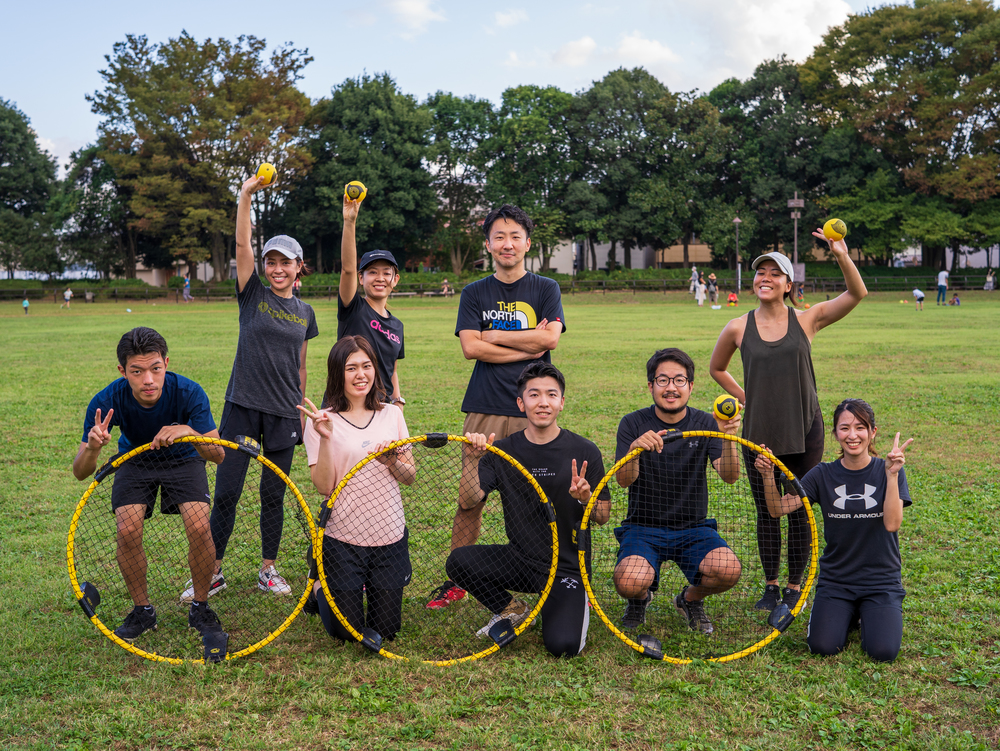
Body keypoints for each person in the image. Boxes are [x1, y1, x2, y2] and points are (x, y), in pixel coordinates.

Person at [709, 233, 867, 617]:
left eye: (774, 273)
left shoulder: (806, 319)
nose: (765, 277)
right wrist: (747, 398)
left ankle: (795, 585)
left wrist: (842, 255)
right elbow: (716, 368)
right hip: (759, 435)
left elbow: (856, 293)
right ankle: (770, 585)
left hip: (804, 430)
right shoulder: (737, 327)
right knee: (766, 511)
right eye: (759, 272)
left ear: (788, 284)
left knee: (798, 510)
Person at [427, 204, 565, 610]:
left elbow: (550, 342)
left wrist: (495, 338)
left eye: (515, 236)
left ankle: (550, 573)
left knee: (538, 496)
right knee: (471, 498)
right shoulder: (474, 292)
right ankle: (455, 580)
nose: (508, 244)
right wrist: (528, 341)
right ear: (488, 243)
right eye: (499, 237)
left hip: (534, 408)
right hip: (485, 406)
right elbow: (471, 348)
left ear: (527, 243)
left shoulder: (545, 289)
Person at [193, 171, 319, 602]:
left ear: (299, 267)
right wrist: (246, 194)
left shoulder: (306, 312)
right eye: (272, 261)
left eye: (286, 262)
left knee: (273, 494)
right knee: (227, 491)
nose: (278, 268)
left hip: (284, 413)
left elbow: (301, 366)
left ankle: (268, 568)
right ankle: (211, 572)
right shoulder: (253, 296)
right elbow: (242, 245)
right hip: (243, 405)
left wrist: (301, 408)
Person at [73, 327, 227, 646]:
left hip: (184, 458)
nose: (148, 380)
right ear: (123, 371)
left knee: (199, 526)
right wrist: (93, 448)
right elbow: (80, 472)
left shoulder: (189, 392)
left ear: (166, 363)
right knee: (128, 529)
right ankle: (143, 610)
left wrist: (189, 432)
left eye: (155, 369)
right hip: (135, 459)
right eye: (137, 371)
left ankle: (200, 606)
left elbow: (219, 455)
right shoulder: (106, 400)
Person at [446, 361, 610, 656]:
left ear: (562, 402)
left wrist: (586, 498)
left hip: (567, 567)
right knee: (459, 560)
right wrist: (471, 460)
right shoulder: (503, 451)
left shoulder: (585, 451)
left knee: (563, 647)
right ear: (521, 403)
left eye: (551, 394)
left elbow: (603, 516)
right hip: (521, 561)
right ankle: (511, 608)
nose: (543, 402)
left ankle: (573, 600)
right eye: (534, 395)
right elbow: (469, 500)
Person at [753, 399, 912, 663]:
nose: (852, 435)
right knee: (822, 646)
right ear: (836, 433)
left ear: (873, 432)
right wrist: (768, 476)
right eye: (844, 428)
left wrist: (893, 476)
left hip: (880, 580)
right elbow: (778, 509)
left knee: (882, 652)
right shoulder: (822, 474)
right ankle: (847, 613)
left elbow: (892, 524)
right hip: (837, 580)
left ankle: (867, 612)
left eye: (860, 427)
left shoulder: (889, 470)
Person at [613, 348, 743, 635]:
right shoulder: (632, 423)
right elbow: (623, 481)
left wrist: (729, 437)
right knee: (629, 580)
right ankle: (639, 598)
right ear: (651, 386)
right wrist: (634, 450)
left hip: (693, 528)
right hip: (643, 527)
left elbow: (730, 476)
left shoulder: (706, 424)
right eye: (662, 380)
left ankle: (689, 599)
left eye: (679, 380)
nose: (671, 388)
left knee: (729, 570)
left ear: (690, 386)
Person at [298, 336, 415, 643]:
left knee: (385, 631)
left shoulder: (393, 414)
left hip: (388, 536)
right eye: (351, 368)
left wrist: (392, 460)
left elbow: (410, 475)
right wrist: (324, 437)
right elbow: (324, 486)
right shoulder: (322, 421)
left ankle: (338, 582)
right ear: (338, 373)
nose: (361, 374)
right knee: (345, 633)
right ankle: (319, 585)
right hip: (342, 538)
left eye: (367, 366)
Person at [338, 193, 405, 407]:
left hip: (381, 408)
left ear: (395, 280)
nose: (380, 278)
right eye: (372, 272)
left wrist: (398, 401)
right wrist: (350, 222)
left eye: (386, 273)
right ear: (361, 278)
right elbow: (347, 269)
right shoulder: (354, 308)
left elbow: (391, 370)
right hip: (346, 405)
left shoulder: (397, 326)